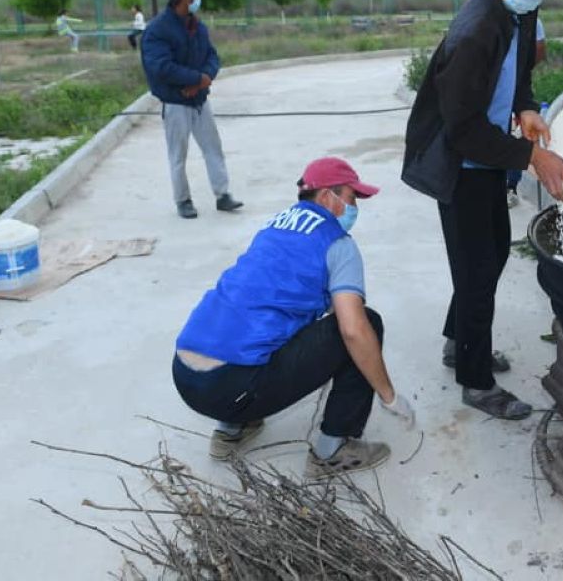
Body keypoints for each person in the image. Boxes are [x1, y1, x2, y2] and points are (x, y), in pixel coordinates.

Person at [402, 0, 563, 420]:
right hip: (460, 162)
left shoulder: (518, 9)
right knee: (476, 270)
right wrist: (531, 156)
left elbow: (519, 74)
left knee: (492, 253)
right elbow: (461, 131)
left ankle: (459, 342)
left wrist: (525, 108)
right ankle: (475, 382)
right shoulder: (474, 31)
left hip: (490, 154)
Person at [172, 157, 415, 473]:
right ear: (328, 196)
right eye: (353, 198)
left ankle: (231, 431)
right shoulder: (338, 244)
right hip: (231, 387)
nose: (356, 208)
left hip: (185, 375)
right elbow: (353, 330)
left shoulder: (275, 226)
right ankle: (333, 450)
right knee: (366, 324)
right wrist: (389, 396)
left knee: (258, 322)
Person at [141, 0, 243, 219]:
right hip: (176, 103)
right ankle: (183, 200)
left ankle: (223, 195)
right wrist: (195, 79)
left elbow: (212, 57)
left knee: (213, 148)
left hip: (200, 100)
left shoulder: (197, 26)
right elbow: (161, 67)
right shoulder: (157, 30)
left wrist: (204, 78)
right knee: (178, 154)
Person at [506, 17, 547, 207]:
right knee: (506, 136)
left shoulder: (531, 21)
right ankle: (506, 187)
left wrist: (523, 105)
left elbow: (539, 50)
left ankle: (510, 187)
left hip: (515, 90)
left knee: (516, 136)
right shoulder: (482, 24)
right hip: (499, 95)